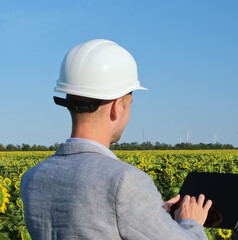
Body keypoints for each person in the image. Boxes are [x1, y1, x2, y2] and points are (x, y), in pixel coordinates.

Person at [20, 39, 212, 239]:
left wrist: (157, 218)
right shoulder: (125, 181)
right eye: (129, 103)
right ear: (117, 107)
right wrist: (192, 222)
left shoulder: (32, 178)